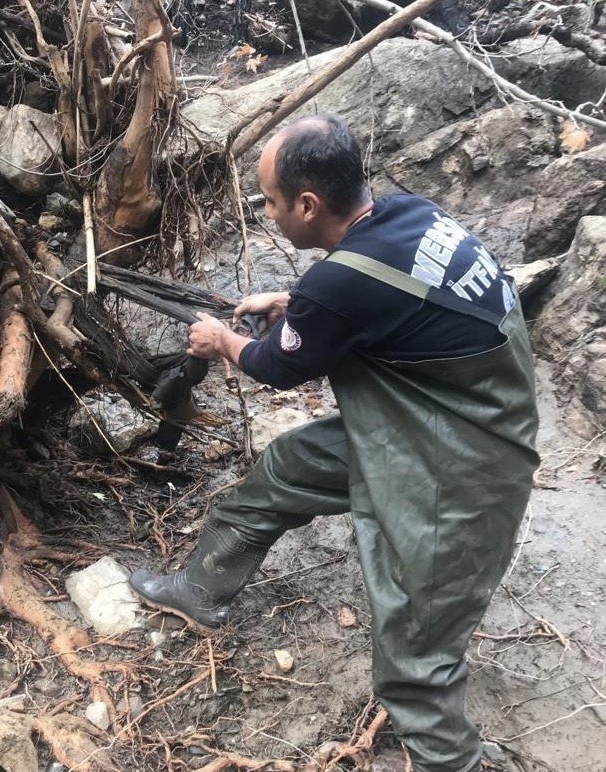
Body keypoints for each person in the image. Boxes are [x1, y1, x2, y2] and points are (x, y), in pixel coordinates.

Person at [129, 113, 539, 772]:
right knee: (289, 464)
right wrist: (293, 302)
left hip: (464, 459)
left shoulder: (338, 285)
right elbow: (378, 299)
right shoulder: (409, 213)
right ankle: (201, 591)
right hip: (431, 414)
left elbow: (275, 368)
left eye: (270, 200)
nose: (267, 211)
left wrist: (222, 342)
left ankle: (453, 762)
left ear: (308, 204)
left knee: (415, 648)